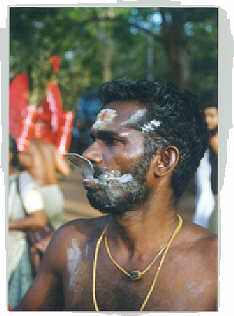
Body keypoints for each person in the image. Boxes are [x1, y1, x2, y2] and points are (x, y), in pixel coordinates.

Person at [17, 79, 217, 311]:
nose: (89, 154)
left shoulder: (215, 263)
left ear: (164, 160)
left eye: (112, 141)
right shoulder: (70, 244)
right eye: (94, 140)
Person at [8, 136, 47, 309]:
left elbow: (39, 219)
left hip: (15, 253)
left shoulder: (23, 181)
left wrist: (6, 225)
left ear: (8, 156)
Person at [19, 138, 71, 230]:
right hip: (54, 192)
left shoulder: (27, 146)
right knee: (55, 231)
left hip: (36, 194)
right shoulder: (51, 147)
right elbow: (65, 171)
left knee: (35, 233)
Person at [193, 105, 218, 234]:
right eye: (205, 116)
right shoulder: (205, 135)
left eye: (212, 116)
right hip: (205, 188)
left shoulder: (217, 137)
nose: (207, 120)